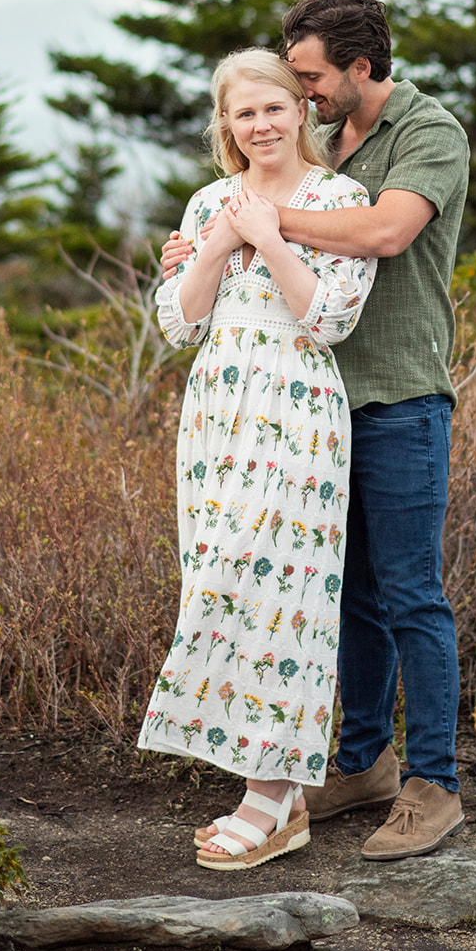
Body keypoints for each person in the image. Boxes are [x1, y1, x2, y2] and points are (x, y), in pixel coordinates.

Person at [163, 0, 469, 861]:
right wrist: (204, 243)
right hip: (310, 408)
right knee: (345, 601)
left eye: (308, 78)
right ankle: (364, 761)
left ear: (358, 69)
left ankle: (434, 786)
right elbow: (241, 231)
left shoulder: (425, 132)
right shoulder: (326, 138)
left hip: (398, 395)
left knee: (411, 593)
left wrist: (247, 225)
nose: (297, 95)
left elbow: (379, 233)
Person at [139, 47, 376, 871]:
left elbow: (332, 320)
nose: (262, 124)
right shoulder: (210, 199)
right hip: (215, 417)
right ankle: (277, 785)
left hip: (297, 412)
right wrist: (214, 245)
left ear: (300, 110)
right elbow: (178, 323)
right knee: (220, 585)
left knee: (280, 590)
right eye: (245, 114)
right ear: (226, 126)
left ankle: (269, 796)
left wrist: (269, 239)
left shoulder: (341, 199)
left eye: (274, 108)